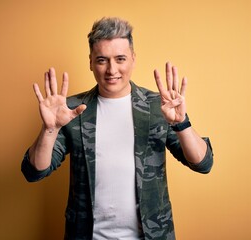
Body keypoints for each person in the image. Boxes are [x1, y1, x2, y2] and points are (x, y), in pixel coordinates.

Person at [21, 17, 213, 240]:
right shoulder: (71, 110)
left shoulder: (158, 106)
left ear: (133, 59)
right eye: (102, 60)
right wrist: (50, 129)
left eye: (120, 58)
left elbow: (203, 164)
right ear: (91, 62)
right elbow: (34, 171)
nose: (112, 70)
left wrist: (181, 124)